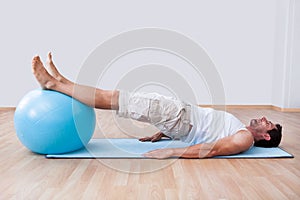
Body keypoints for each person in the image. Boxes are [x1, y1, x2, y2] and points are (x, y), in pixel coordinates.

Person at [31, 53, 282, 159]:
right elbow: (207, 129)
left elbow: (211, 149)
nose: (262, 118)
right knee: (115, 96)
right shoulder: (240, 131)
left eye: (267, 123)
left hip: (178, 116)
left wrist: (171, 152)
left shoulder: (244, 140)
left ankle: (53, 85)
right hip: (178, 119)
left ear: (267, 135)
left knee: (113, 98)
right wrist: (164, 133)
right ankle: (62, 81)